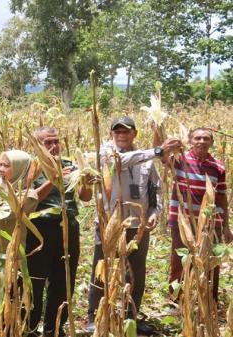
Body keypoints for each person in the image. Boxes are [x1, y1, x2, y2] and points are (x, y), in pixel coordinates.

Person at [86, 116, 180, 335]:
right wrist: (157, 151)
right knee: (102, 269)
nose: (121, 135)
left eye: (126, 131)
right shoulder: (105, 153)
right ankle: (94, 316)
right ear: (111, 134)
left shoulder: (146, 160)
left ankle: (131, 316)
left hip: (138, 226)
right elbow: (122, 161)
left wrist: (155, 212)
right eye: (117, 131)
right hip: (109, 223)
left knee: (136, 273)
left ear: (134, 134)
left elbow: (155, 189)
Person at [26, 127, 92, 337]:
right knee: (36, 280)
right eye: (48, 143)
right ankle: (30, 327)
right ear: (37, 146)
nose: (54, 147)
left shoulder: (70, 165)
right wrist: (52, 179)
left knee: (64, 279)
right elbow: (29, 200)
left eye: (57, 142)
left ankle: (54, 327)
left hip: (68, 227)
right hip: (40, 230)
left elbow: (85, 197)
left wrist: (87, 182)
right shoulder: (31, 167)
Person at [167, 127, 231, 300]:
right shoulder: (180, 159)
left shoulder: (217, 166)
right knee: (180, 259)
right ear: (190, 140)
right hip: (183, 221)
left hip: (211, 222)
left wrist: (226, 226)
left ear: (211, 142)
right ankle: (176, 299)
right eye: (197, 138)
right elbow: (162, 158)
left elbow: (222, 198)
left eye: (205, 138)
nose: (201, 141)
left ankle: (210, 300)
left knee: (212, 261)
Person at [0, 149, 38, 249]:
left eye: (6, 166)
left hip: (10, 251)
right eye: (0, 164)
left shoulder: (29, 195)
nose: (1, 169)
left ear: (20, 168)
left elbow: (6, 214)